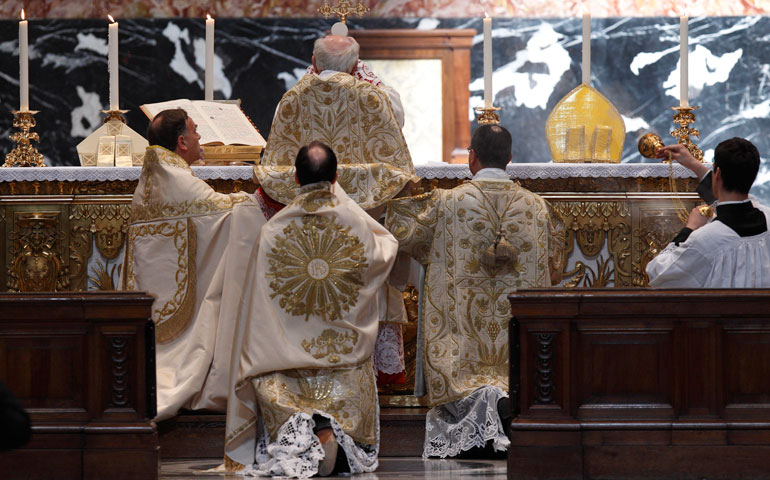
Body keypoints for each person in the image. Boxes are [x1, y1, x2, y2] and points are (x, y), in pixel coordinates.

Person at [385, 124, 566, 458]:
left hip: (462, 347)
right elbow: (555, 266)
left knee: (461, 366)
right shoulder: (537, 208)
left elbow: (399, 229)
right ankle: (506, 400)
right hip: (514, 342)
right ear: (510, 158)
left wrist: (400, 187)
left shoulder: (445, 203)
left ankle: (478, 407)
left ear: (472, 158)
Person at [224, 142, 399, 477]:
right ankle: (331, 434)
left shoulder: (272, 231)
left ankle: (303, 435)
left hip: (283, 375)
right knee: (348, 408)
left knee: (279, 395)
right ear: (335, 177)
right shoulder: (356, 226)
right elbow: (386, 249)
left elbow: (257, 306)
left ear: (294, 177)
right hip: (342, 371)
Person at [121, 108, 268, 421]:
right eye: (196, 131)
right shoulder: (177, 180)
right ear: (181, 142)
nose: (201, 138)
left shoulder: (152, 180)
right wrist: (258, 200)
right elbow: (225, 212)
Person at [647, 138, 770, 287]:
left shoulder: (705, 238)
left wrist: (690, 228)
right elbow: (736, 202)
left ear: (717, 174)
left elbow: (659, 274)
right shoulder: (767, 217)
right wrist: (694, 164)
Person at [306, 34, 404, 128]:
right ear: (354, 68)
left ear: (314, 64)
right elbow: (395, 121)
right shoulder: (371, 98)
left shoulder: (297, 97)